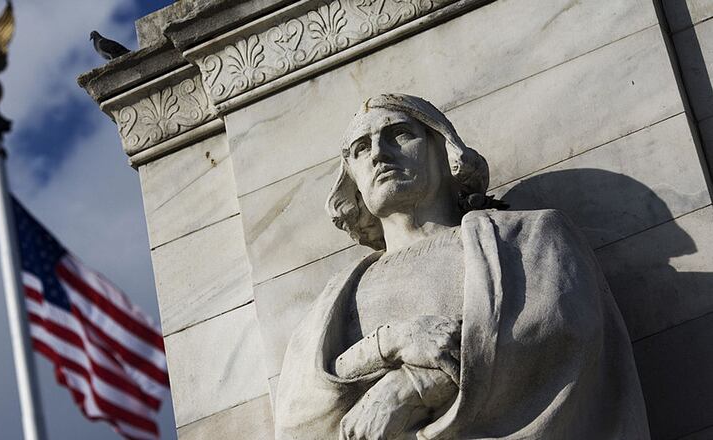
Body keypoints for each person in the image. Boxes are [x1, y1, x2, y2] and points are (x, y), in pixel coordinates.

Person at [274, 94, 650, 439]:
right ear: (352, 179)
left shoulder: (529, 237)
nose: (378, 154)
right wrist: (392, 342)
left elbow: (560, 333)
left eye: (399, 134)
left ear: (444, 148)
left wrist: (410, 388)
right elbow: (299, 412)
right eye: (360, 148)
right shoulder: (338, 296)